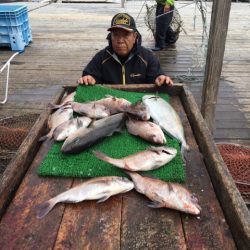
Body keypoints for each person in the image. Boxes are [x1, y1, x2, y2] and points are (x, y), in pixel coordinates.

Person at [78, 13, 173, 87]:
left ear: (135, 36)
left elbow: (157, 76)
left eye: (126, 35)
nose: (120, 41)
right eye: (115, 35)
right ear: (110, 36)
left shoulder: (147, 57)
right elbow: (89, 75)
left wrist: (160, 78)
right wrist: (88, 78)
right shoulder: (100, 57)